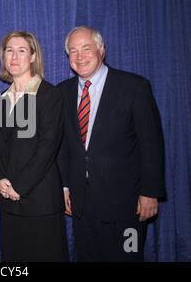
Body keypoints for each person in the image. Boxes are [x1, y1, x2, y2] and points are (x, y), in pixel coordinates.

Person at [57, 26, 165, 261]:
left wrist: (150, 192)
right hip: (82, 204)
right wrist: (65, 187)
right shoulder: (62, 93)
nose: (79, 56)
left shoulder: (134, 87)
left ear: (102, 50)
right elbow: (63, 146)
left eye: (86, 49)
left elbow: (151, 143)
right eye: (73, 51)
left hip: (126, 204)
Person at [0, 31, 69, 261]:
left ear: (33, 56)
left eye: (22, 50)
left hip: (40, 200)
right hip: (8, 202)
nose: (14, 57)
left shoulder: (50, 95)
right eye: (9, 50)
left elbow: (47, 147)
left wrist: (20, 186)